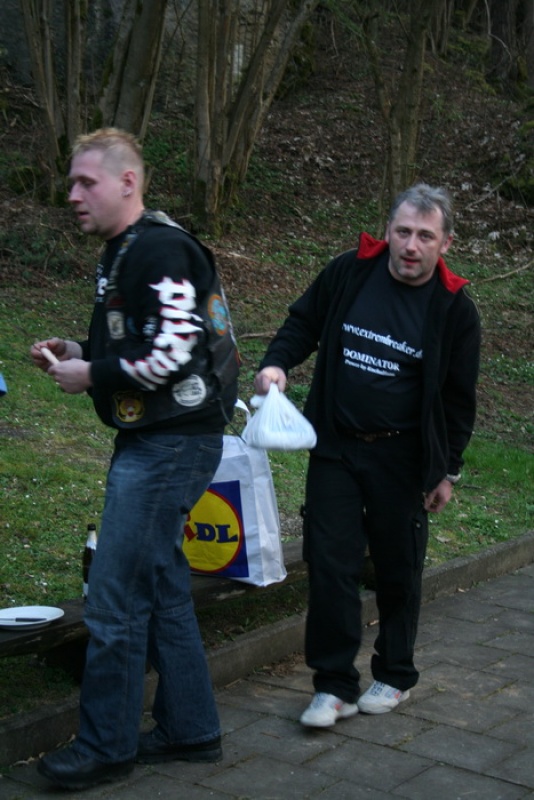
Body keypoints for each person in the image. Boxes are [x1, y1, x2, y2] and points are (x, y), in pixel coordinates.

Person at [31, 128, 239, 790]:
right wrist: (79, 351)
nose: (72, 194)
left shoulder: (159, 247)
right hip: (163, 439)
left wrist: (92, 374)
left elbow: (173, 352)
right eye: (71, 181)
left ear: (127, 182)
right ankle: (191, 729)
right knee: (163, 590)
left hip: (169, 445)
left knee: (114, 597)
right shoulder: (127, 250)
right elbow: (145, 337)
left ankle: (105, 747)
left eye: (85, 182)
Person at [254, 183, 480, 727]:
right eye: (402, 231)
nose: (411, 245)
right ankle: (333, 685)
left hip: (402, 458)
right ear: (388, 231)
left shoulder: (455, 310)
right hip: (335, 445)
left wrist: (446, 470)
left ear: (445, 243)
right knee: (330, 564)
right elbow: (303, 322)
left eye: (424, 236)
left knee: (398, 569)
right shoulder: (350, 272)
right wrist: (277, 363)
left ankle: (395, 673)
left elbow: (458, 400)